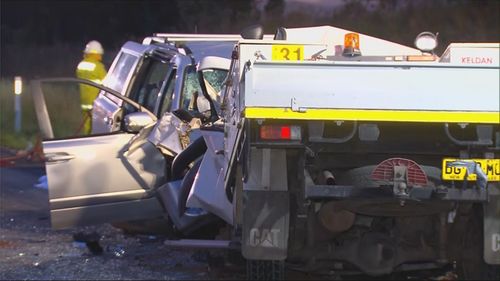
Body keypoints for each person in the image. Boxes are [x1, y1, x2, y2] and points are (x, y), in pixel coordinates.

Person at [76, 40, 107, 135]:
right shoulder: (98, 66)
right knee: (96, 128)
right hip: (96, 103)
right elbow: (107, 83)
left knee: (87, 127)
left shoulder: (80, 65)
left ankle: (85, 143)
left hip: (84, 102)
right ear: (96, 53)